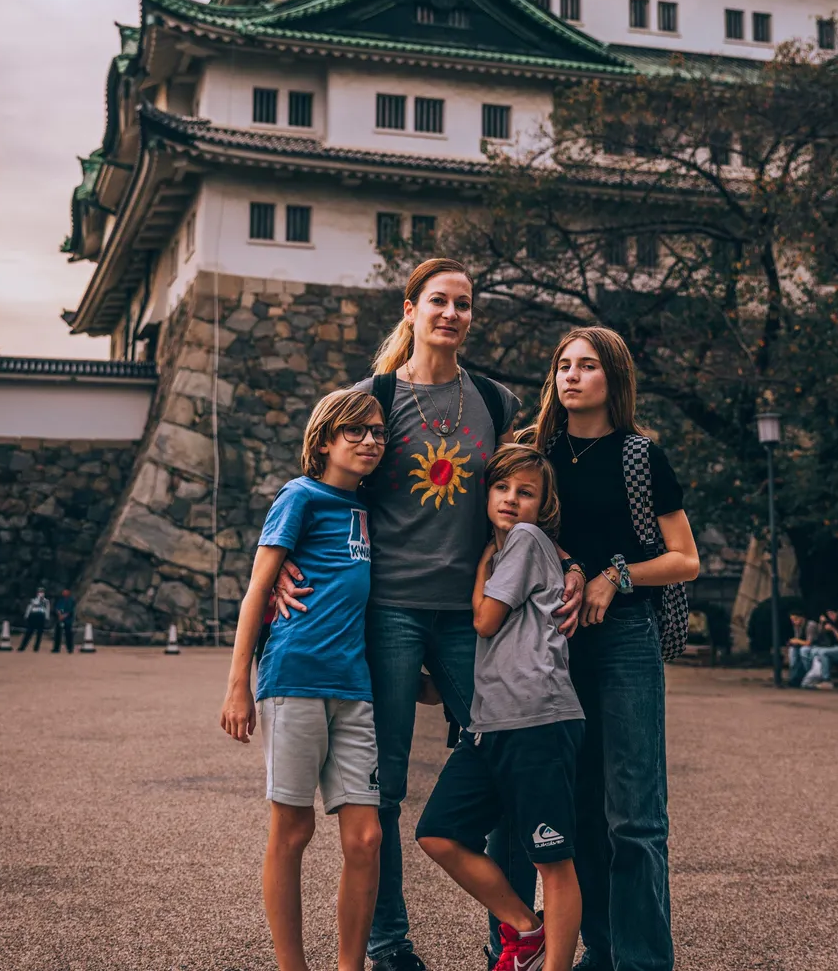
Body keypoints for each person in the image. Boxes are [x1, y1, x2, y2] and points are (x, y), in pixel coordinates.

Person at [274, 258, 585, 971]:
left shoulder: (496, 402)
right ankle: (388, 945)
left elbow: (531, 496)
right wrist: (286, 555)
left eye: (464, 304)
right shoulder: (374, 396)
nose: (451, 314)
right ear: (410, 310)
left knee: (505, 767)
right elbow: (319, 479)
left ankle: (510, 936)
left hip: (475, 615)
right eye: (438, 302)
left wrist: (564, 562)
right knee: (379, 787)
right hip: (386, 610)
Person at [531, 327, 700, 971]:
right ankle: (599, 954)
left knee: (634, 815)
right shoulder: (534, 455)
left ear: (614, 379)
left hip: (626, 640)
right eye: (563, 365)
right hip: (553, 644)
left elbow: (684, 559)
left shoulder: (639, 457)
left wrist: (615, 574)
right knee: (576, 810)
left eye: (588, 366)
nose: (572, 376)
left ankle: (643, 961)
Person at [219, 387, 387, 971]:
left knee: (367, 839)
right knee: (293, 829)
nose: (370, 441)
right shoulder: (300, 496)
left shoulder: (371, 505)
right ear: (323, 441)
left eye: (378, 433)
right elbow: (257, 589)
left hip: (355, 687)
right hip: (294, 677)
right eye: (355, 431)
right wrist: (239, 682)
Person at [417, 444, 585, 971]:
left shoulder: (525, 540)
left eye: (526, 492)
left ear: (543, 505)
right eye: (503, 487)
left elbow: (486, 621)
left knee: (552, 861)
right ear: (486, 493)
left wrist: (481, 569)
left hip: (539, 719)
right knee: (438, 833)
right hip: (490, 725)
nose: (512, 499)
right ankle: (528, 930)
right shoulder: (516, 546)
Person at [797, 607, 838, 690]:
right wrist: (821, 624)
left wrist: (833, 629)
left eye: (832, 613)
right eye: (829, 614)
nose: (830, 616)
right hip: (830, 649)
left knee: (822, 652)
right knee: (813, 651)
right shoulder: (827, 623)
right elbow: (819, 639)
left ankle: (827, 680)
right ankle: (813, 677)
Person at [18, 587, 50, 651]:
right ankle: (22, 647)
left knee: (39, 633)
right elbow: (29, 608)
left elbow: (47, 609)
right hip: (33, 615)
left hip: (41, 616)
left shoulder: (46, 601)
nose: (41, 593)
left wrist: (47, 617)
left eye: (42, 592)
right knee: (29, 632)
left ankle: (36, 648)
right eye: (39, 592)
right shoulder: (33, 600)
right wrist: (26, 615)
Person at [52, 589, 76, 653]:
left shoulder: (71, 600)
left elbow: (71, 610)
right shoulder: (60, 600)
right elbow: (57, 608)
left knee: (68, 634)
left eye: (66, 592)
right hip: (59, 619)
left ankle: (69, 648)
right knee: (57, 634)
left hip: (68, 620)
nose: (64, 593)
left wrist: (65, 615)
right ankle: (56, 648)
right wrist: (59, 614)